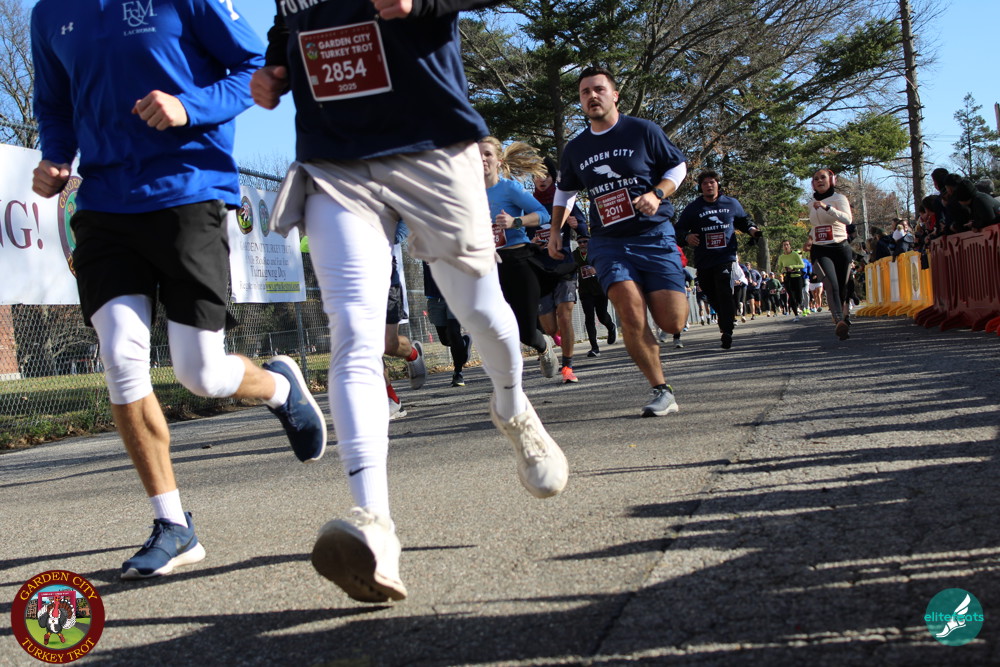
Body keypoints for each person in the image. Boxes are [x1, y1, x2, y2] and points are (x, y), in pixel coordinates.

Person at [252, 0, 568, 604]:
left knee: (480, 311)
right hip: (334, 156)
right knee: (354, 332)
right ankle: (374, 524)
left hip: (431, 142)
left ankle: (513, 407)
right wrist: (276, 65)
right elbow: (289, 20)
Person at [30, 0, 327, 580]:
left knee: (201, 373)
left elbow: (255, 70)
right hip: (103, 205)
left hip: (189, 190)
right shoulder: (48, 14)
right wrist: (56, 159)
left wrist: (187, 107)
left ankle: (277, 385)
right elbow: (54, 104)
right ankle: (173, 525)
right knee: (121, 358)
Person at [548, 66, 688, 417]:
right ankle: (661, 389)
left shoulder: (642, 130)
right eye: (585, 92)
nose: (592, 96)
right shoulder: (576, 148)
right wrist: (554, 232)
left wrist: (657, 193)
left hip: (653, 234)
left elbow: (678, 167)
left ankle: (660, 297)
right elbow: (565, 193)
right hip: (609, 241)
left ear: (614, 95)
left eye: (599, 89)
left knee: (672, 322)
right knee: (629, 310)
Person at [480, 137, 561, 379]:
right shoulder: (467, 194)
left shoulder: (509, 188)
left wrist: (516, 221)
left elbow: (543, 214)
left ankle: (544, 346)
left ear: (498, 160)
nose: (481, 159)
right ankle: (506, 382)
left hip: (517, 260)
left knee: (526, 332)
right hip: (487, 266)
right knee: (493, 327)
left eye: (487, 154)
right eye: (476, 155)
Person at [675, 170, 762, 349]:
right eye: (705, 183)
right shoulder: (693, 208)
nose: (709, 185)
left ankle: (727, 330)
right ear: (700, 187)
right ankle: (724, 319)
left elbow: (744, 221)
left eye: (712, 182)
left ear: (718, 185)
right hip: (704, 259)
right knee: (710, 292)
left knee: (724, 290)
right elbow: (679, 230)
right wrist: (687, 237)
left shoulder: (731, 203)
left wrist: (753, 230)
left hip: (725, 255)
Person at [532, 156, 588, 383]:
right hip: (540, 270)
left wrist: (578, 225)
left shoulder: (562, 199)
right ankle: (548, 345)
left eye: (546, 175)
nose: (542, 180)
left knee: (565, 317)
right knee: (549, 327)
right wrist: (531, 242)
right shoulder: (527, 203)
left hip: (564, 266)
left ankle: (567, 367)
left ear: (553, 177)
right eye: (537, 176)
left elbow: (584, 228)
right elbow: (519, 234)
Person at [383, 229, 426, 420]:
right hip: (345, 281)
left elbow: (402, 229)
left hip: (382, 278)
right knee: (364, 344)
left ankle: (412, 353)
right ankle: (391, 400)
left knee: (387, 344)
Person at [808, 169, 854, 340]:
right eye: (816, 179)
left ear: (831, 180)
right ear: (813, 184)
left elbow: (847, 220)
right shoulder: (811, 203)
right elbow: (816, 226)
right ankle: (839, 320)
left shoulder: (839, 198)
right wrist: (810, 238)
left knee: (842, 287)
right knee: (830, 284)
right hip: (820, 249)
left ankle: (844, 315)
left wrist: (827, 207)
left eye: (823, 177)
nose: (819, 181)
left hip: (840, 247)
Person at [422, 262, 473, 387]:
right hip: (435, 297)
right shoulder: (425, 249)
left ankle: (458, 373)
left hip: (456, 295)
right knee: (445, 340)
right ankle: (464, 343)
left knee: (453, 333)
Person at [572, 235, 618, 357]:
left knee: (602, 316)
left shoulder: (598, 252)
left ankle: (611, 327)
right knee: (589, 318)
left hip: (599, 289)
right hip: (585, 291)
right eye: (580, 242)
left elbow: (608, 265)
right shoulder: (574, 255)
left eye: (585, 242)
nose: (582, 244)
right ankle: (594, 348)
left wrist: (596, 269)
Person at [775, 240, 805, 321]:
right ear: (782, 247)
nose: (786, 246)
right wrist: (781, 272)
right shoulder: (781, 257)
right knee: (791, 296)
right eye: (784, 245)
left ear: (790, 246)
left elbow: (802, 265)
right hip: (788, 278)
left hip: (797, 276)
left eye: (787, 245)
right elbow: (779, 269)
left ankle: (800, 305)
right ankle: (796, 315)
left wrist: (792, 267)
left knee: (799, 296)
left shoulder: (795, 254)